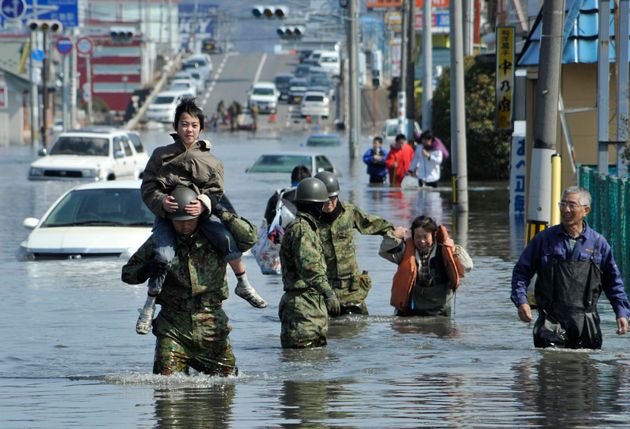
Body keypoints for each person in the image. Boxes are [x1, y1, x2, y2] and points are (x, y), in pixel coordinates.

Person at [137, 97, 266, 335]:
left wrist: (204, 204)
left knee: (227, 240)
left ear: (201, 129)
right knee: (163, 255)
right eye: (184, 124)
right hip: (170, 217)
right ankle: (149, 304)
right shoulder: (160, 155)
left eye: (194, 125)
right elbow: (147, 187)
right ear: (176, 127)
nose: (189, 129)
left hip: (201, 216)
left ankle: (244, 284)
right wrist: (162, 201)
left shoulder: (211, 161)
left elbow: (216, 191)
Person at [121, 186, 257, 376]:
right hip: (173, 328)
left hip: (212, 327)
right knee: (166, 393)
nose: (185, 226)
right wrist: (148, 269)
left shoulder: (216, 239)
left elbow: (250, 238)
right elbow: (127, 274)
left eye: (189, 221)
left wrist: (217, 208)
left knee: (225, 390)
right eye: (179, 222)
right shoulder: (161, 244)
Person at [511, 186, 630, 349]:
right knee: (550, 365)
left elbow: (613, 282)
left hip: (587, 323)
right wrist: (521, 301)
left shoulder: (598, 243)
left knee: (586, 369)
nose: (566, 209)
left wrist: (621, 312)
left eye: (572, 205)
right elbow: (521, 273)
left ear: (586, 210)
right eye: (563, 204)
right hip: (550, 322)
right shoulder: (543, 239)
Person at [314, 171, 396, 315]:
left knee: (357, 329)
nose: (328, 202)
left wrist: (394, 231)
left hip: (351, 290)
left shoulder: (349, 213)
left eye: (332, 197)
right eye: (324, 198)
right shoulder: (311, 220)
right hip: (325, 290)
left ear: (337, 195)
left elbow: (371, 223)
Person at [278, 177, 341, 348]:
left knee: (314, 365)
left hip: (308, 307)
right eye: (321, 204)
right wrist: (329, 293)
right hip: (303, 309)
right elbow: (310, 267)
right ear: (315, 206)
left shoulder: (304, 227)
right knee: (304, 365)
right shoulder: (302, 230)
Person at [379, 215, 473, 317]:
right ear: (413, 236)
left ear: (433, 235)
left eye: (425, 236)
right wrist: (394, 237)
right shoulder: (405, 251)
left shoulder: (445, 251)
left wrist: (454, 249)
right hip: (409, 312)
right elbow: (384, 252)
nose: (422, 241)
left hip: (438, 313)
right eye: (418, 237)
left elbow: (467, 267)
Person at [252, 165, 311, 275]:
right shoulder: (312, 197)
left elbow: (267, 224)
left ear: (292, 179)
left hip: (279, 248)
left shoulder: (278, 195)